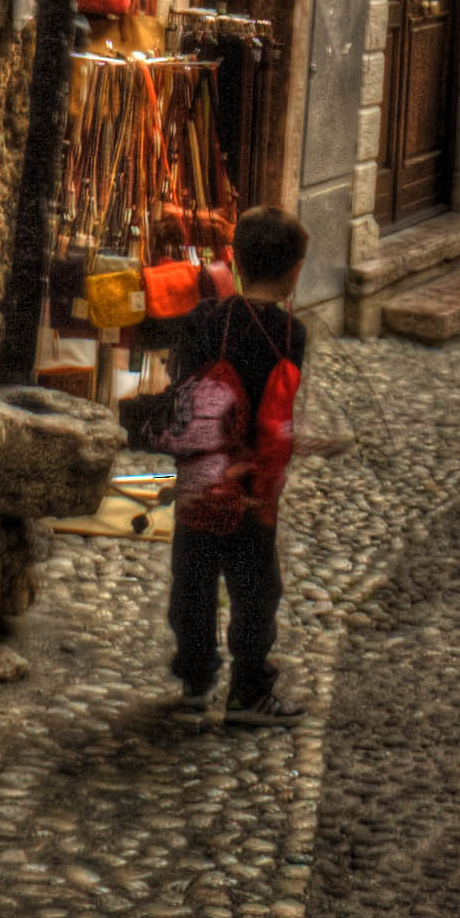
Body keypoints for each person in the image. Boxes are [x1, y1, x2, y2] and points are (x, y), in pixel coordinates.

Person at [164, 207, 310, 728]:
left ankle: (195, 681)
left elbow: (181, 384)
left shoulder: (204, 318)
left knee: (194, 580)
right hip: (247, 487)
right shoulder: (289, 334)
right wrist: (267, 488)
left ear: (235, 261)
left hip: (201, 478)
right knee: (255, 590)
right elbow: (276, 415)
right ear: (295, 271)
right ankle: (249, 691)